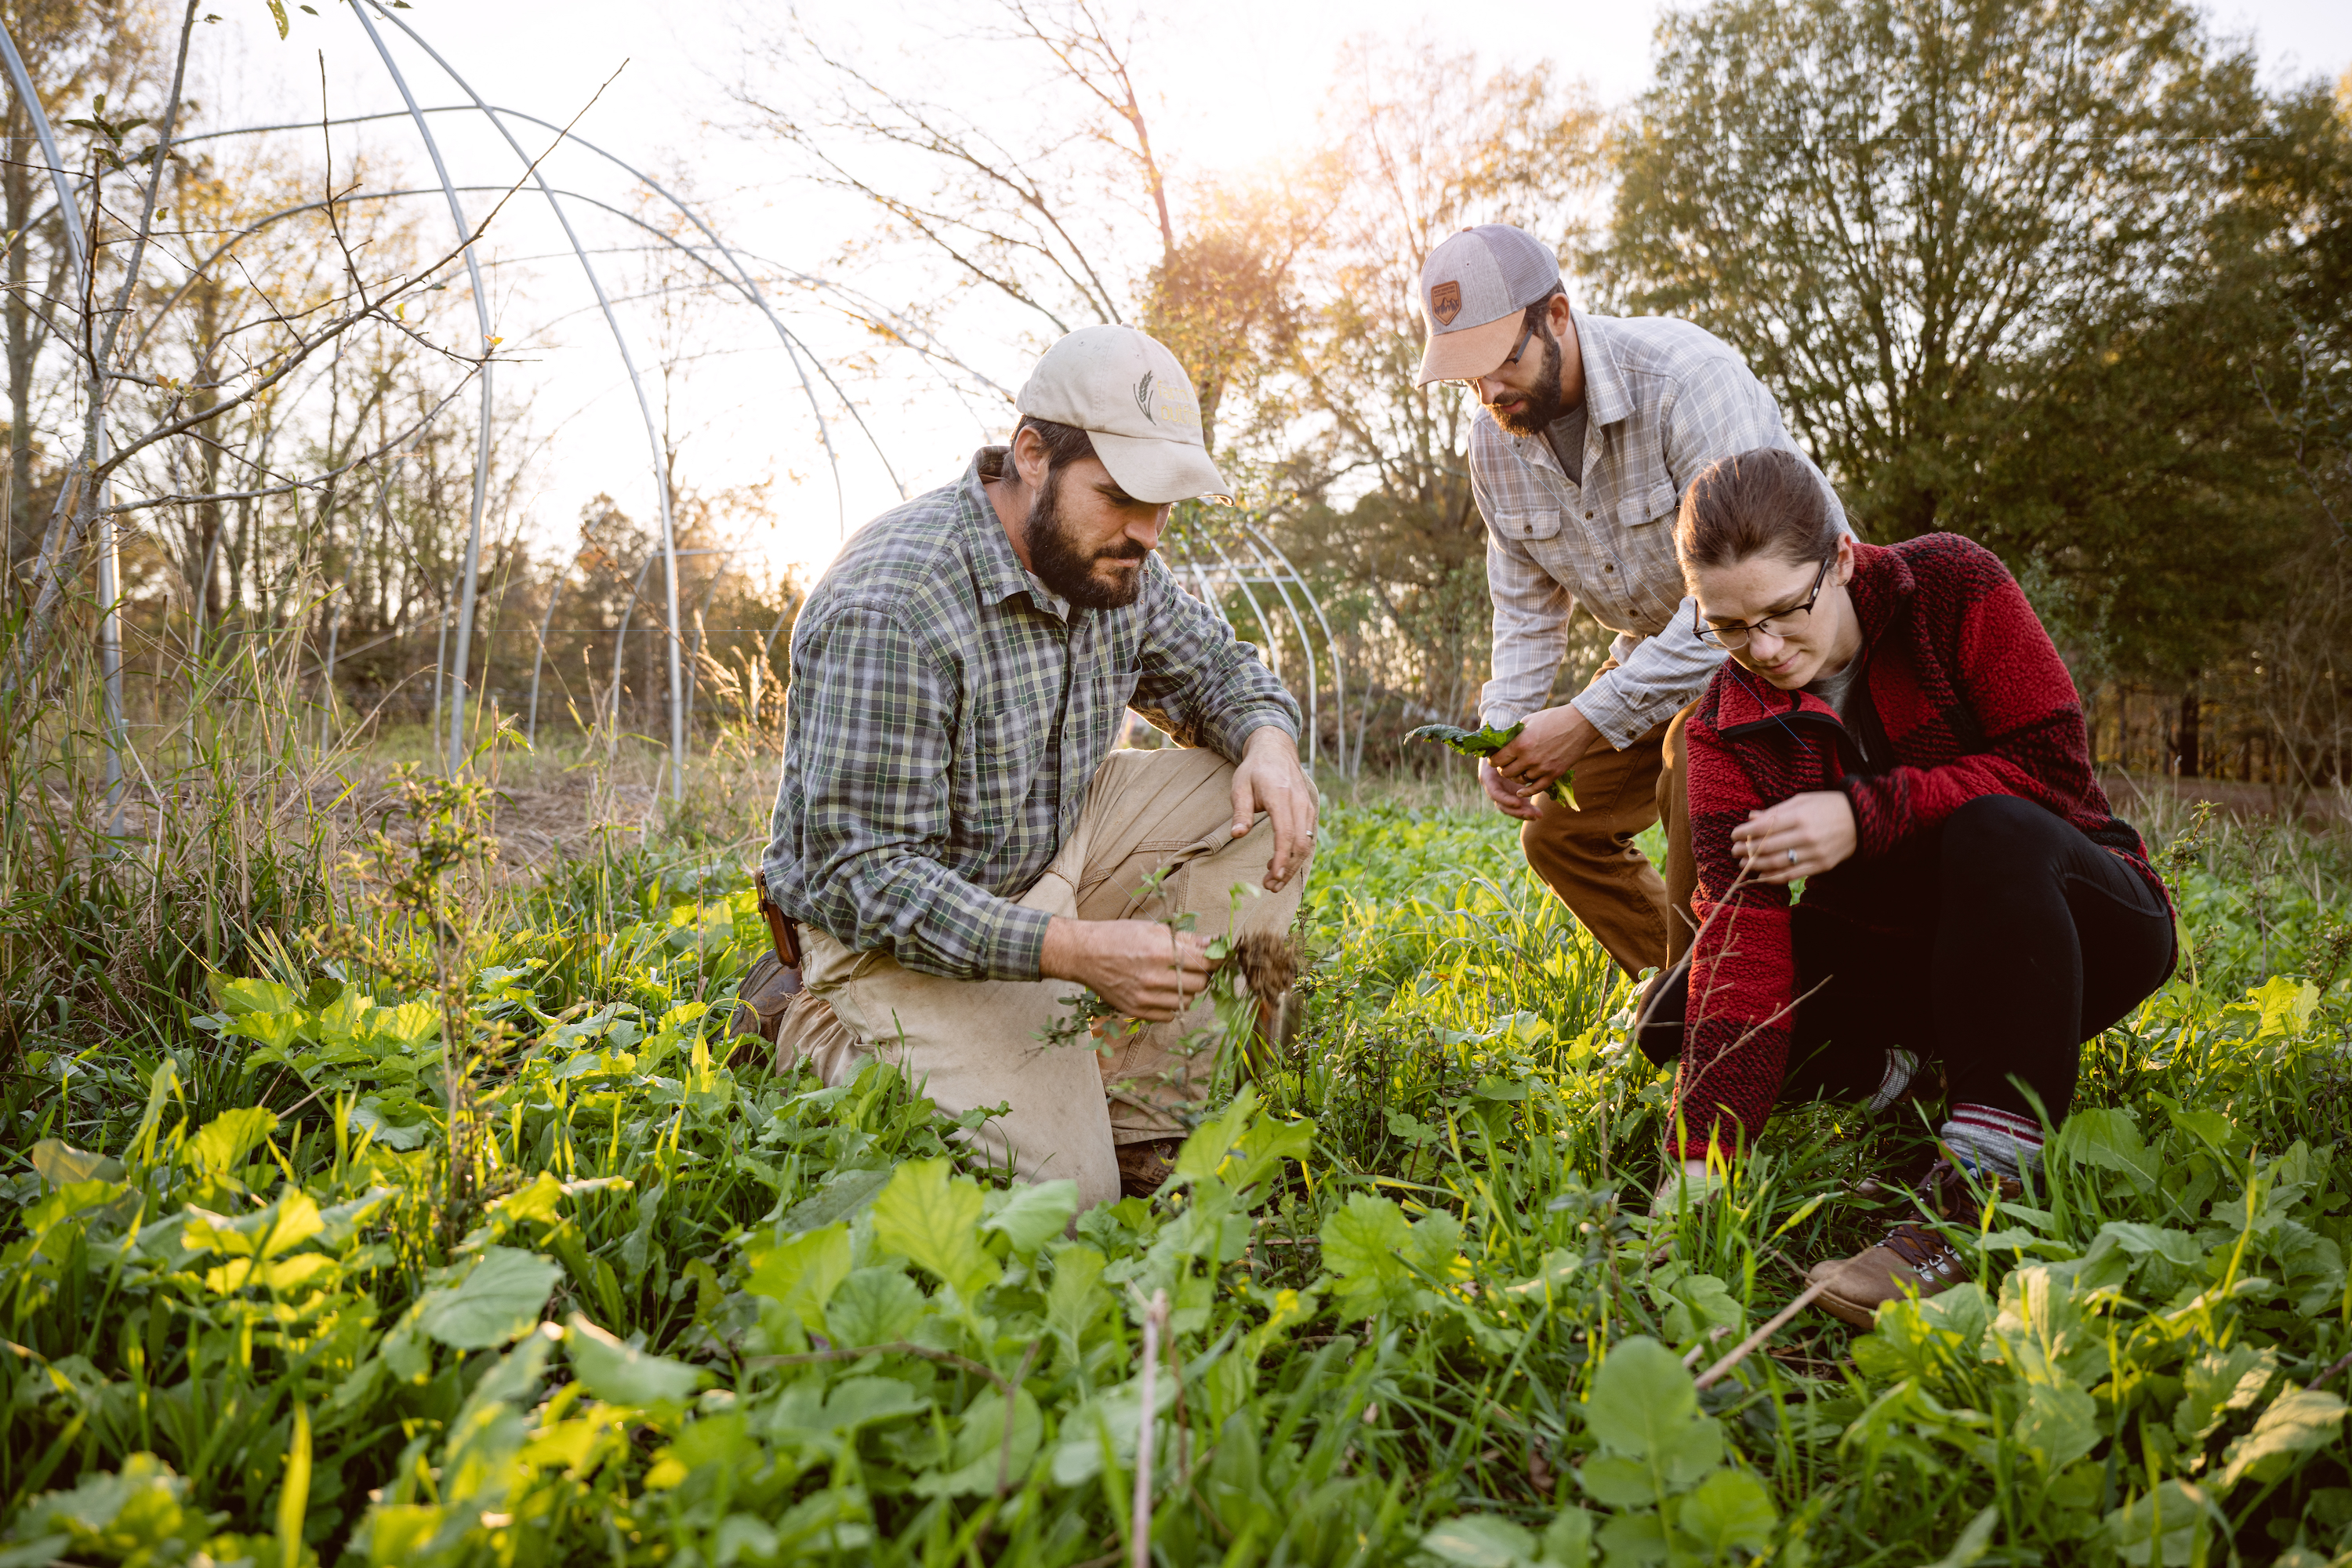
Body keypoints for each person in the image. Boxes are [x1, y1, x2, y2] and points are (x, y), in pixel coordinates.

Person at [759, 324, 1317, 1211]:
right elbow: (861, 874)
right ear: (1031, 455)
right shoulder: (897, 605)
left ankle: (1144, 1126)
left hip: (1045, 845)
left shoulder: (1114, 560)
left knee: (1249, 796)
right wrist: (1069, 949)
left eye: (1163, 503)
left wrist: (1269, 740)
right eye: (1119, 495)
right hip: (895, 928)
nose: (1144, 531)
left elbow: (1218, 669)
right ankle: (814, 1026)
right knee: (1068, 1198)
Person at [1639, 448, 2176, 1327]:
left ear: (1843, 558)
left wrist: (1866, 813)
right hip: (1919, 961)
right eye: (1730, 627)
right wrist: (1702, 1165)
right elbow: (1744, 935)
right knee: (1677, 1010)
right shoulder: (1726, 727)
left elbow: (2048, 772)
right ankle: (1892, 1075)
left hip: (2075, 922)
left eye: (1783, 611)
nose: (1765, 650)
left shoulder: (1954, 585)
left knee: (1992, 826)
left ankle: (1977, 1198)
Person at [1415, 223, 1850, 978]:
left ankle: (1720, 1019)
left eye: (1502, 360)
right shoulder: (1495, 442)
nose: (1489, 391)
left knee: (1692, 764)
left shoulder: (1686, 380)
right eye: (1467, 376)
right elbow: (1523, 605)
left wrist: (1585, 720)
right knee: (1558, 832)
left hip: (1784, 639)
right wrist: (1505, 730)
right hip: (1662, 658)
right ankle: (1700, 1003)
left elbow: (1743, 599)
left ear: (1556, 315)